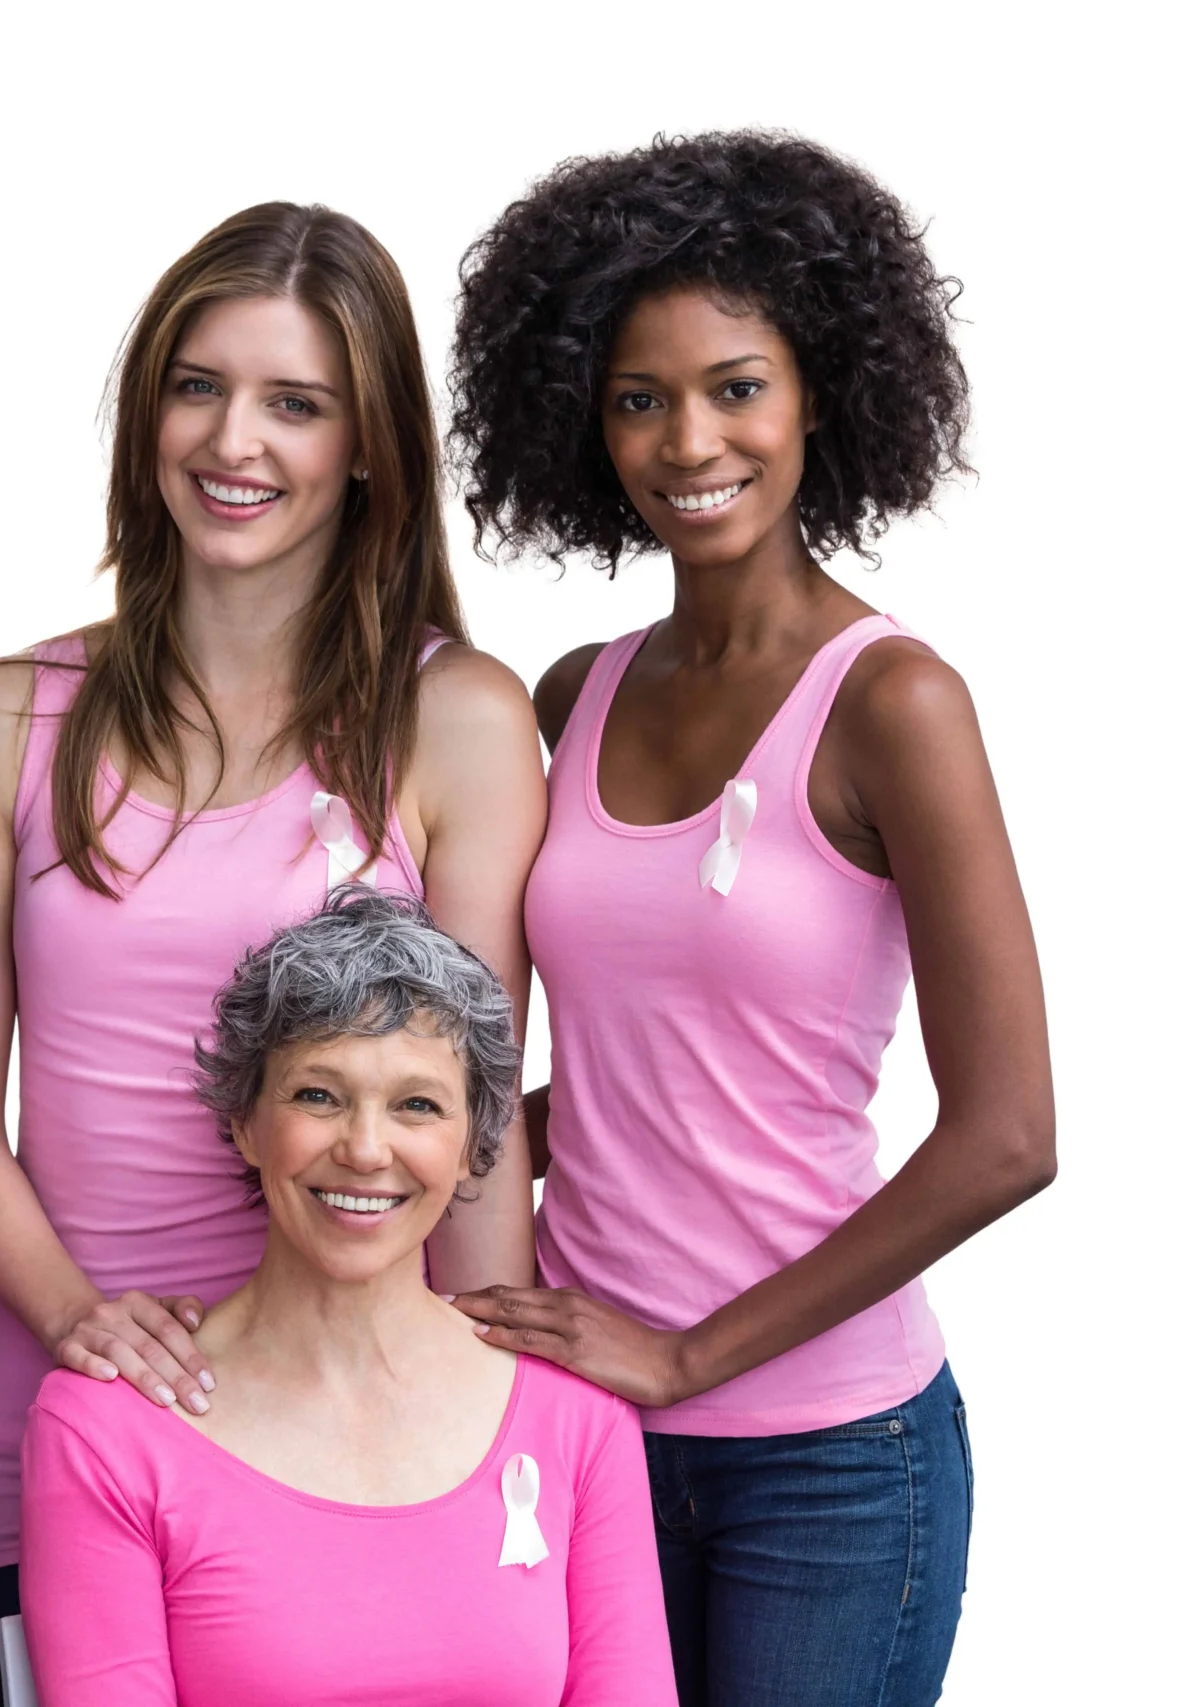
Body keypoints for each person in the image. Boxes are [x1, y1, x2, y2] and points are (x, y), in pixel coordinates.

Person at [445, 131, 1055, 1706]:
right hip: (585, 1427)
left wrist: (695, 1353)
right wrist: (421, 1145)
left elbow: (1009, 1133)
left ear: (819, 398)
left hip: (833, 1461)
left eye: (735, 386)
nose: (687, 438)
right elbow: (666, 1066)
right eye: (639, 398)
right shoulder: (578, 695)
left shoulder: (895, 702)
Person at [0, 200, 546, 1694]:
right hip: (72, 1414)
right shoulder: (9, 716)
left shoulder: (458, 720)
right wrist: (76, 1318)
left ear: (369, 441)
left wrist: (496, 1402)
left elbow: (476, 1115)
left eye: (296, 403)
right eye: (198, 386)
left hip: (362, 1428)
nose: (233, 439)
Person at [19, 888, 672, 1704]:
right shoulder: (105, 1431)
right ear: (246, 1122)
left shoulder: (579, 1417)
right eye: (318, 1095)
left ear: (474, 1146)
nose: (366, 1148)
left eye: (417, 1105)